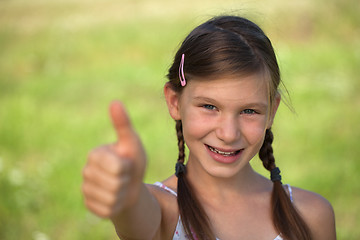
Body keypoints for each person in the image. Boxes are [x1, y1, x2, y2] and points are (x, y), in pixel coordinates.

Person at [82, 15, 336, 240]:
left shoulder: (311, 216)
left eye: (249, 111)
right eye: (209, 107)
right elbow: (135, 219)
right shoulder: (164, 213)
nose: (228, 134)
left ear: (272, 111)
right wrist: (129, 193)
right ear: (174, 102)